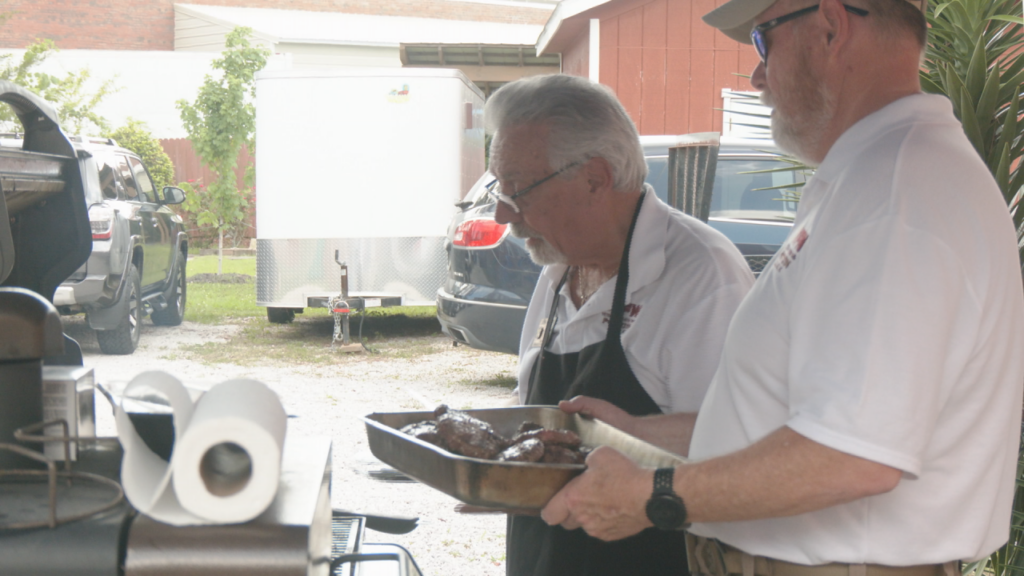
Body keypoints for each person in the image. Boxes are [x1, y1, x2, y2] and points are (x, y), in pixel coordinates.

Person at [540, 0, 1024, 572]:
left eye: (762, 41)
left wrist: (652, 495)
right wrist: (639, 434)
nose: (756, 74)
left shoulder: (893, 195)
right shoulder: (875, 179)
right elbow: (801, 422)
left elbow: (851, 458)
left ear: (830, 27)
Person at [485, 74, 755, 576]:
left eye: (518, 190)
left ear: (594, 178)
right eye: (500, 190)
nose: (503, 213)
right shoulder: (558, 268)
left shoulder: (700, 274)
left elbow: (736, 456)